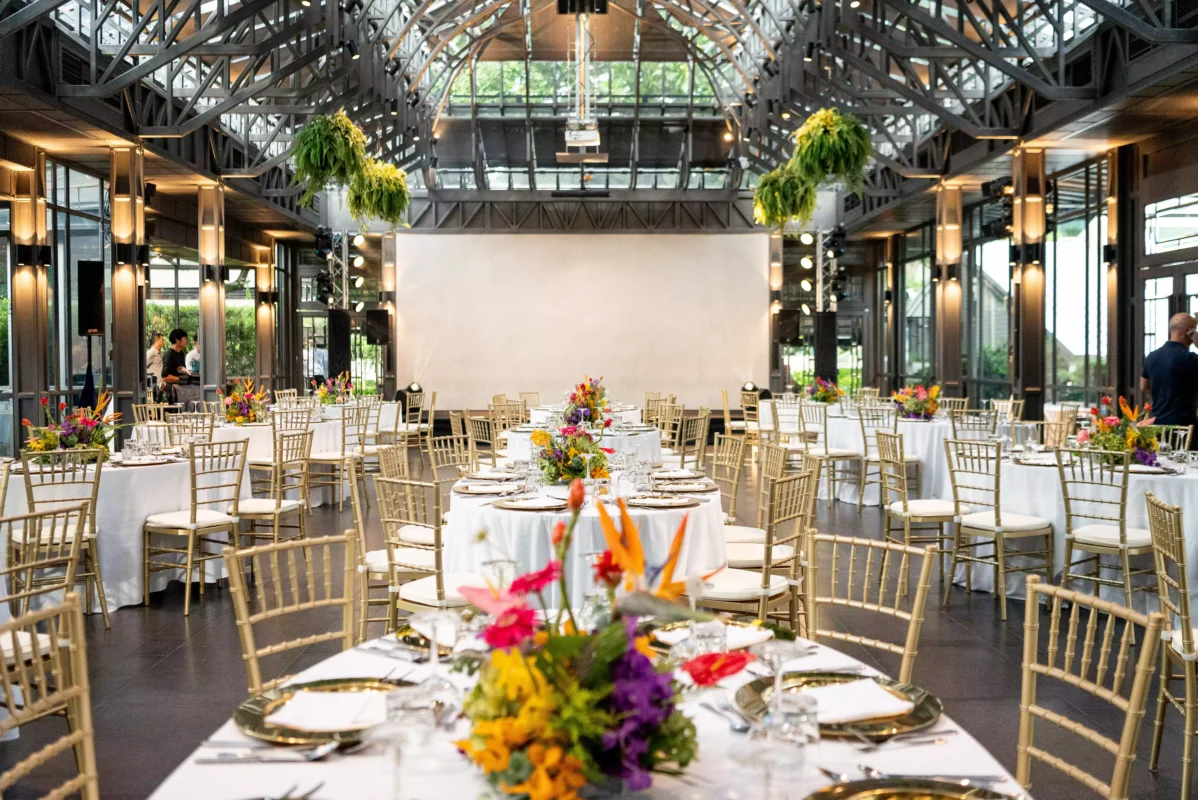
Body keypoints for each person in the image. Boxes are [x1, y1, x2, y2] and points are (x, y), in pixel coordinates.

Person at [1140, 311, 1198, 428]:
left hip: (1157, 424)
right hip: (1184, 427)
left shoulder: (1152, 356)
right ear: (1189, 332)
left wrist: (1164, 395)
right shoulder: (1190, 359)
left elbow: (1143, 386)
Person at [160, 328, 190, 403]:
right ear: (177, 340)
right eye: (185, 339)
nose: (187, 341)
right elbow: (165, 377)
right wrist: (181, 379)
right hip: (172, 392)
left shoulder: (181, 353)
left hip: (181, 390)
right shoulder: (169, 355)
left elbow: (181, 370)